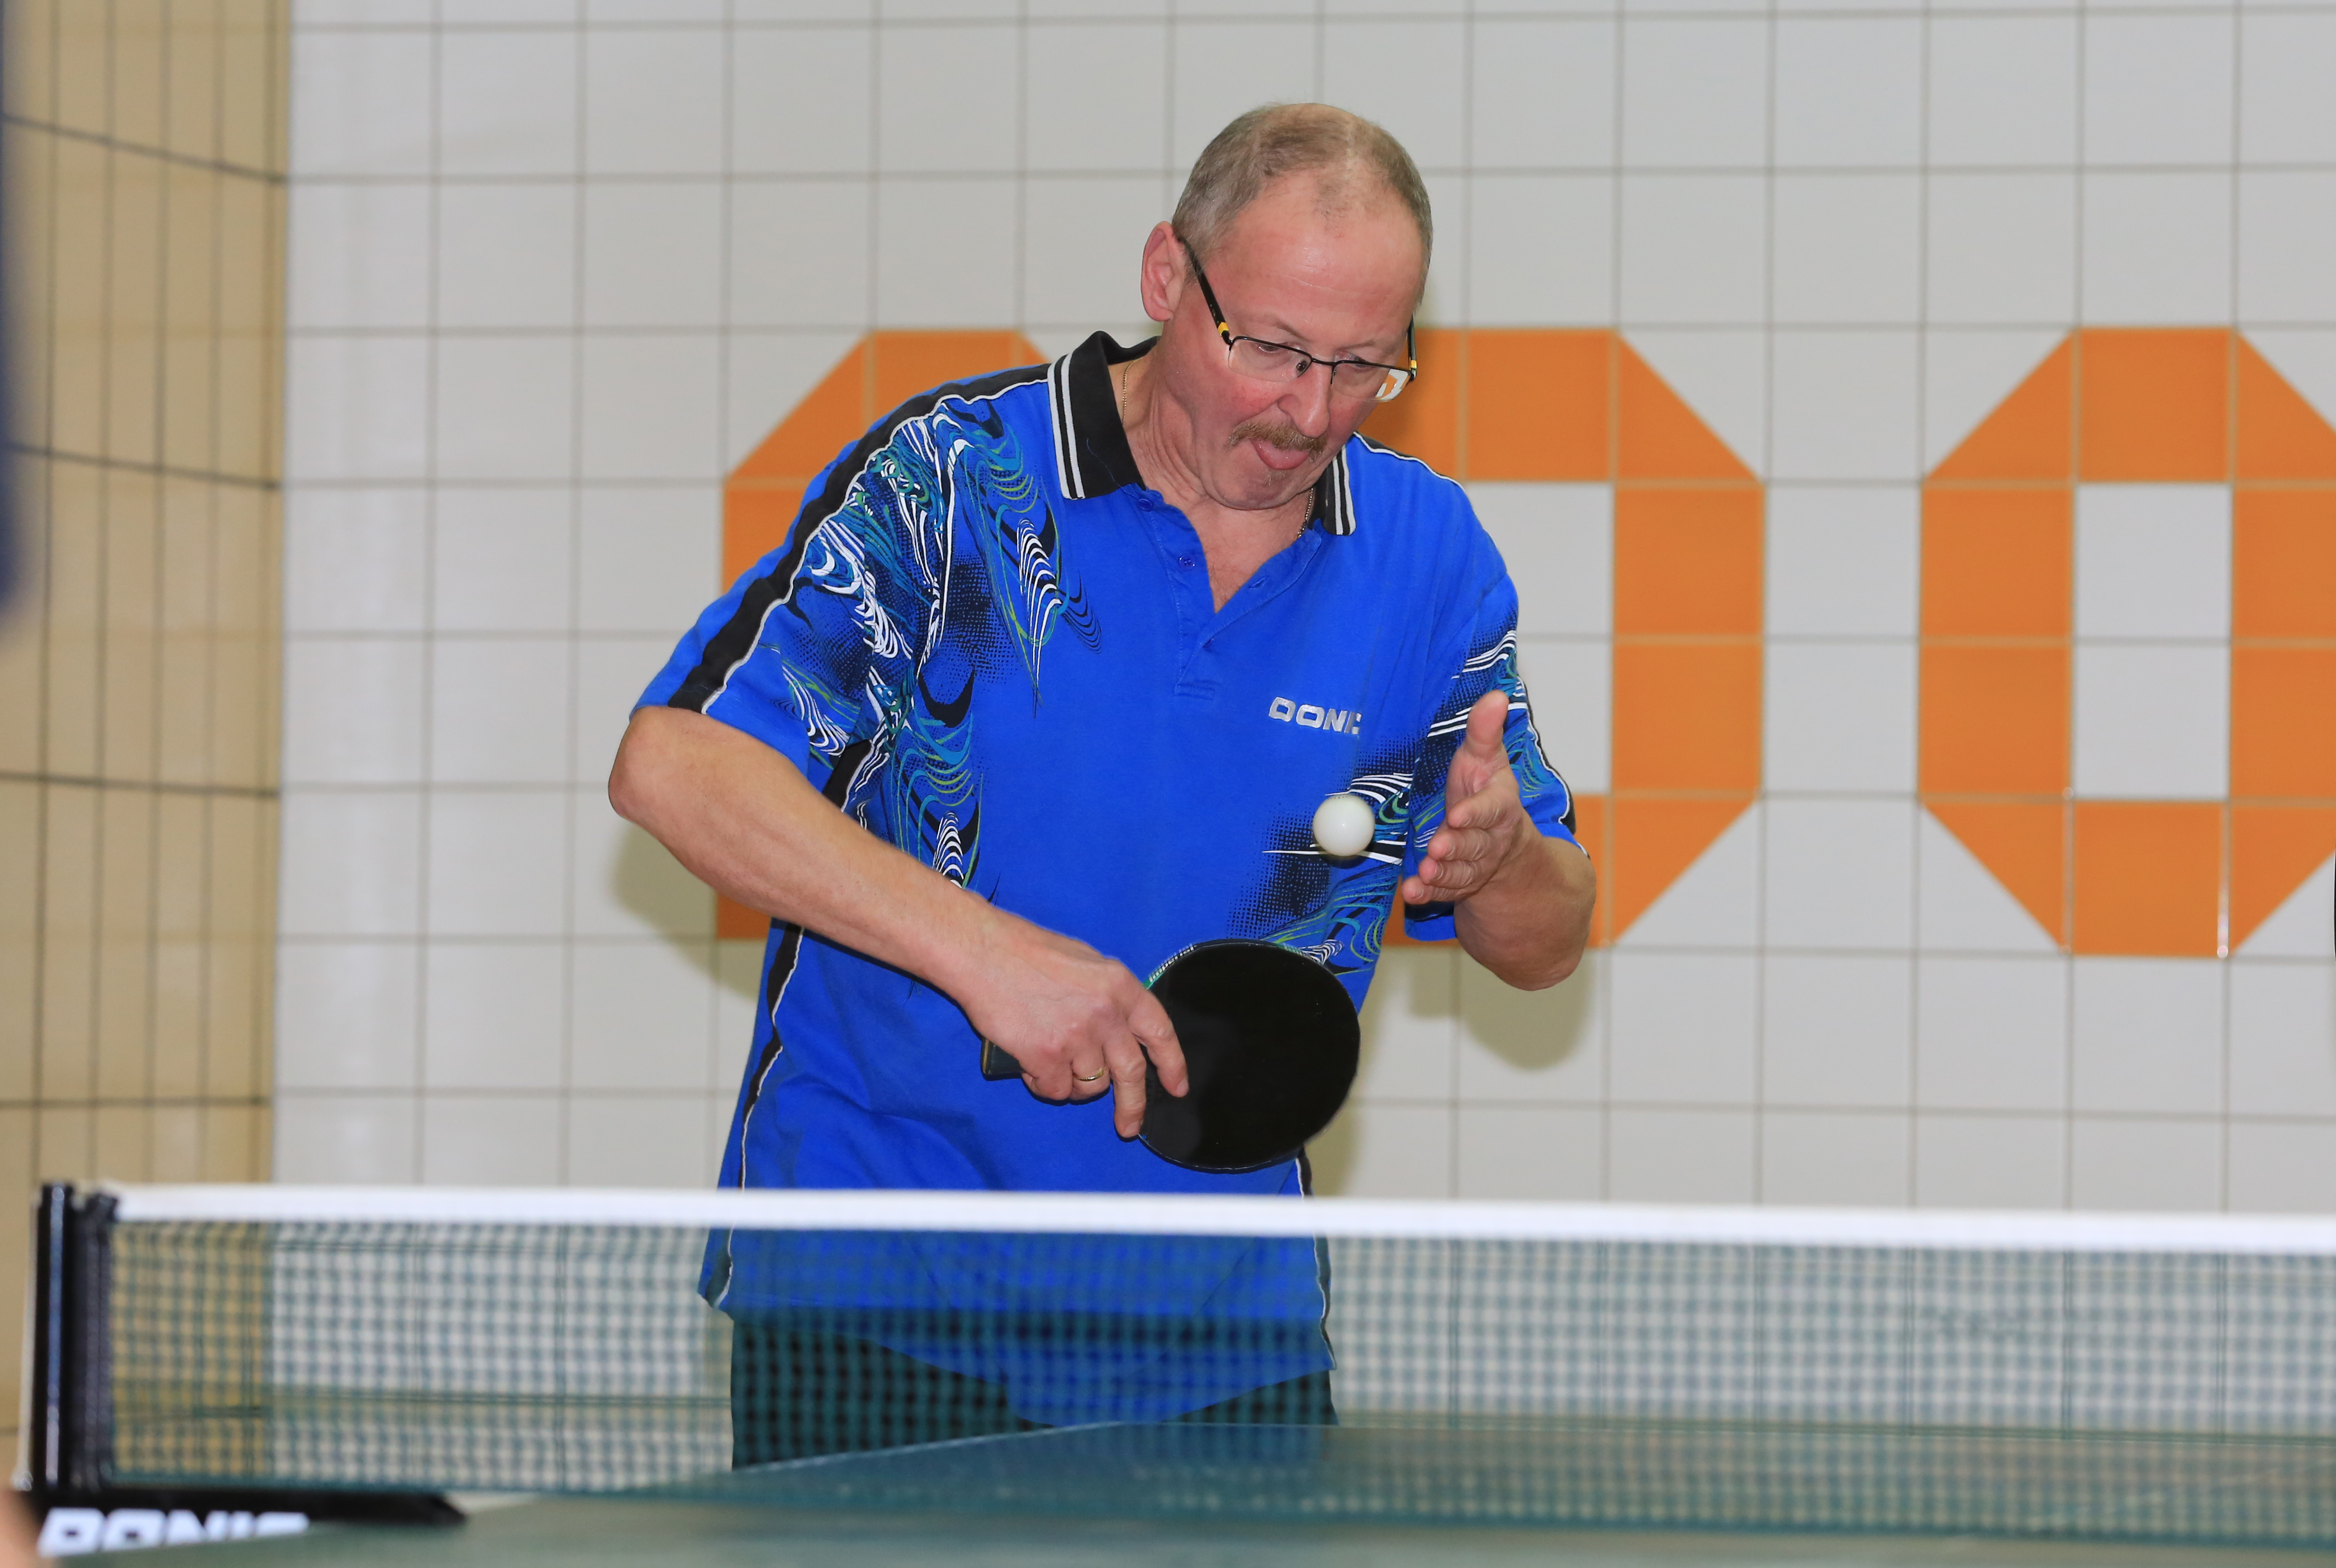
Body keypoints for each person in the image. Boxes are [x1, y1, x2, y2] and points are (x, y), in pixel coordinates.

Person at [610, 104, 1597, 1460]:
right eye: (1269, 347)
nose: (1310, 409)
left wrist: (1502, 862)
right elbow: (675, 766)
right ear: (1166, 277)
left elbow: (1547, 943)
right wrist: (989, 958)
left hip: (1222, 1341)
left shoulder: (1427, 555)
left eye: (1366, 364)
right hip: (879, 1294)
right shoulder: (960, 478)